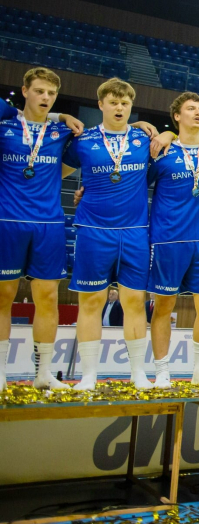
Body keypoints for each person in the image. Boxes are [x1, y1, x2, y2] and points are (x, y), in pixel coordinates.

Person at [62, 78, 154, 391]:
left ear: (131, 107)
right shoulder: (83, 140)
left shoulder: (145, 140)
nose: (119, 108)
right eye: (113, 102)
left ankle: (138, 373)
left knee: (135, 303)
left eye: (125, 103)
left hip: (134, 232)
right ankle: (88, 375)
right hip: (93, 230)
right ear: (101, 104)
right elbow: (54, 173)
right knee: (91, 302)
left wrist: (165, 132)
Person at [0, 68, 85, 391]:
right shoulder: (4, 125)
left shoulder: (62, 133)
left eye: (51, 93)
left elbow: (81, 158)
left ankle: (44, 373)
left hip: (48, 224)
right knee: (3, 297)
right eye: (39, 91)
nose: (45, 97)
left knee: (48, 298)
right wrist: (60, 114)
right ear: (24, 91)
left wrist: (61, 118)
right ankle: (0, 372)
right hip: (7, 222)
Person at [145, 92, 199, 389]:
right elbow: (136, 185)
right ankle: (162, 371)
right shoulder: (161, 151)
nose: (198, 112)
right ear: (177, 116)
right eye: (191, 108)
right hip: (169, 239)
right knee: (164, 306)